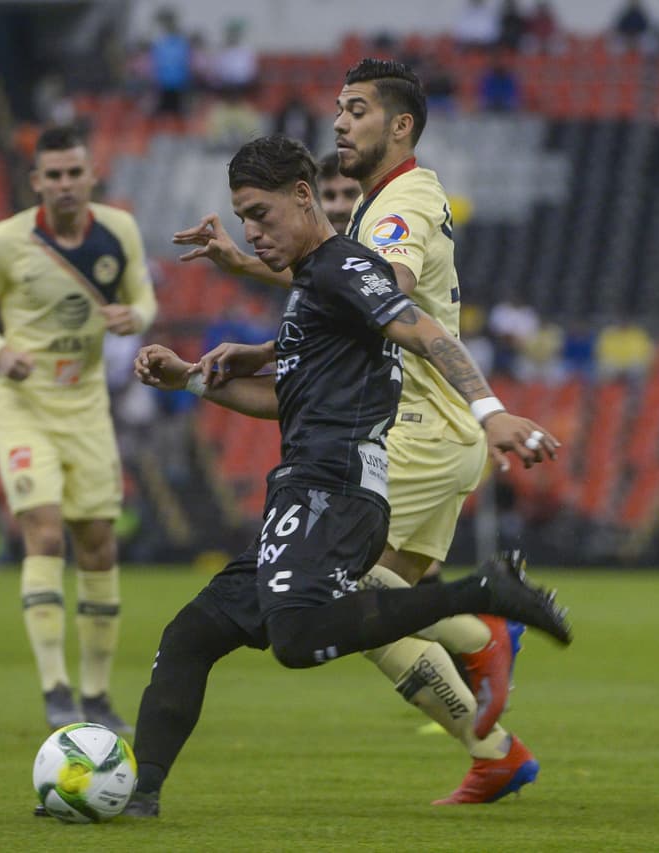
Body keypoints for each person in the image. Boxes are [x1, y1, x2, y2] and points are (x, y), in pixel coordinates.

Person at [118, 135, 568, 818]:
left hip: (337, 490)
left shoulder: (344, 268)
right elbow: (285, 398)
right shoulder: (312, 285)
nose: (252, 232)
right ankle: (139, 795)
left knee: (297, 639)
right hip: (302, 489)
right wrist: (188, 379)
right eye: (243, 218)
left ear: (303, 197)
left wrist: (491, 411)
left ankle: (481, 594)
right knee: (192, 633)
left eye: (261, 214)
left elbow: (424, 331)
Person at [0, 126, 158, 732]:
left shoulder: (118, 230)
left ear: (91, 175)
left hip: (86, 406)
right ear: (37, 181)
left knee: (98, 541)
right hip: (24, 405)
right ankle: (55, 687)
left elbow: (145, 298)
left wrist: (134, 317)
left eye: (75, 173)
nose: (66, 184)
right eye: (55, 175)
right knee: (43, 533)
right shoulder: (7, 240)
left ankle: (96, 694)